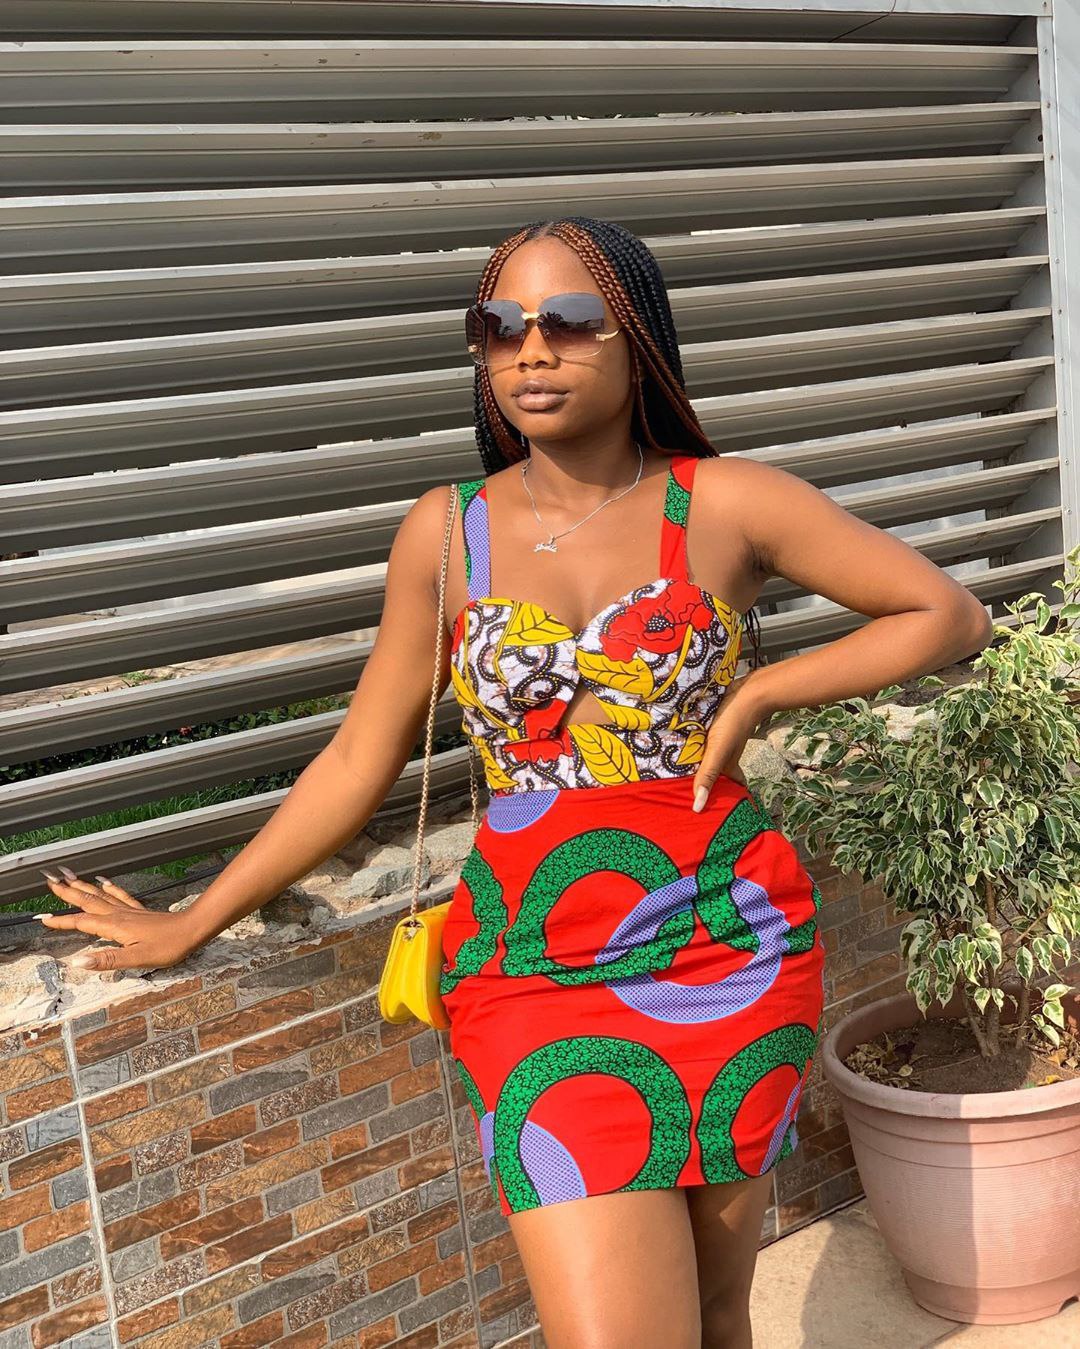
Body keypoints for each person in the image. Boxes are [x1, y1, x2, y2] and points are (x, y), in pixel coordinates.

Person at [39, 215, 993, 1348]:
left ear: (637, 339)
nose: (531, 348)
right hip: (533, 964)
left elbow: (946, 613)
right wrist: (194, 916)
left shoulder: (727, 501)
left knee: (718, 1311)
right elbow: (358, 755)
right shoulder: (449, 533)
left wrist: (756, 694)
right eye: (500, 325)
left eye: (570, 320)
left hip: (730, 946)